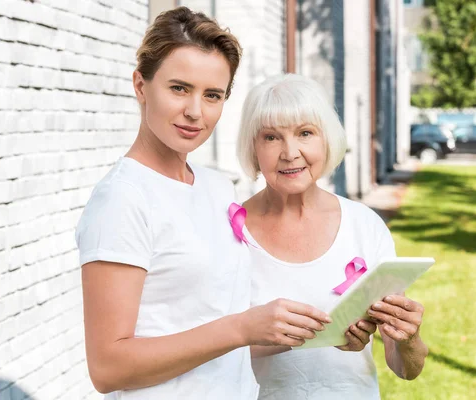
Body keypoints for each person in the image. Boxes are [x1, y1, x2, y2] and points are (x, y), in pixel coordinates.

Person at [75, 9, 331, 399]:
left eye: (213, 95)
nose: (196, 111)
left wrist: (316, 329)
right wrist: (242, 327)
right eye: (179, 88)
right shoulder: (123, 200)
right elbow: (108, 368)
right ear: (141, 86)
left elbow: (218, 337)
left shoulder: (215, 187)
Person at [236, 74, 429, 399]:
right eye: (271, 137)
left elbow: (405, 368)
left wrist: (408, 339)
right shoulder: (229, 231)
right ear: (253, 148)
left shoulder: (365, 226)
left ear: (327, 140)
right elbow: (206, 348)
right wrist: (303, 334)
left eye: (305, 133)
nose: (290, 152)